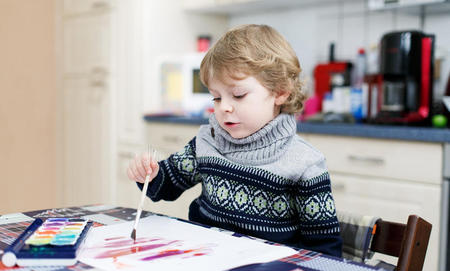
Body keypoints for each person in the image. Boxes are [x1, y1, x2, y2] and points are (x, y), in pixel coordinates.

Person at [127, 24, 342, 257]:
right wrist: (149, 173)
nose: (225, 108)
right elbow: (165, 186)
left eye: (238, 95)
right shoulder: (207, 140)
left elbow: (325, 250)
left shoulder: (305, 164)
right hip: (204, 259)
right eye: (217, 98)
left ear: (280, 92)